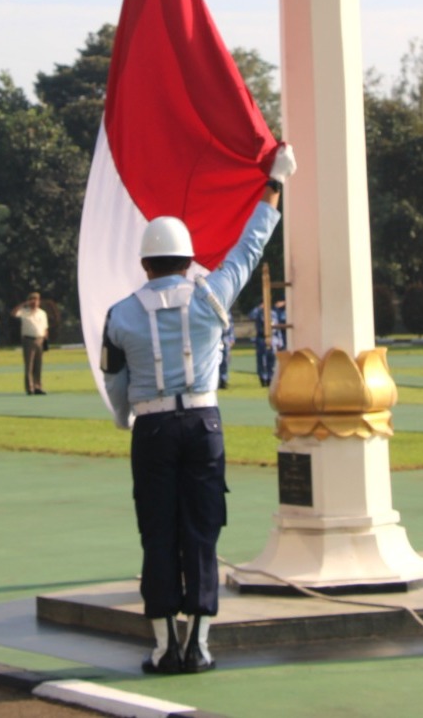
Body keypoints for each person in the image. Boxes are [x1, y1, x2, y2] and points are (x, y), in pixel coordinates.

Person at [101, 144, 296, 676]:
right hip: (204, 425)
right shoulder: (212, 296)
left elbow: (115, 383)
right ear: (189, 260)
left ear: (144, 262)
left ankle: (166, 644)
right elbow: (250, 245)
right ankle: (202, 642)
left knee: (157, 531)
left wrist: (125, 420)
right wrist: (274, 184)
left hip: (155, 427)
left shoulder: (119, 314)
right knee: (203, 531)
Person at [11, 292, 49, 395]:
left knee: (38, 365)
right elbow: (13, 313)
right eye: (32, 300)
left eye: (36, 300)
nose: (34, 302)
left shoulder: (42, 313)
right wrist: (23, 304)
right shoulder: (24, 311)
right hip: (28, 339)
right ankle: (30, 387)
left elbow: (45, 328)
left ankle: (38, 386)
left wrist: (45, 340)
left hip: (39, 340)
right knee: (29, 365)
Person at [249, 297, 287, 387]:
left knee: (272, 360)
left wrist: (280, 342)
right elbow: (251, 316)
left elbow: (277, 328)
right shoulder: (258, 313)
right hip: (261, 339)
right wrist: (259, 308)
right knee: (262, 360)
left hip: (273, 338)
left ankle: (271, 378)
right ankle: (263, 378)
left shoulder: (273, 313)